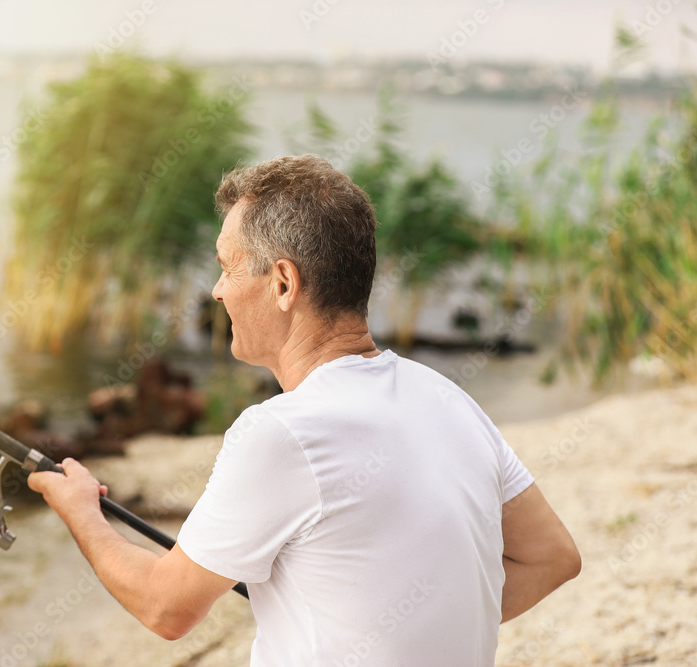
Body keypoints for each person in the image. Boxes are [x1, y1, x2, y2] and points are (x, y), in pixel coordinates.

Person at [29, 155, 581, 664]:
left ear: (284, 283)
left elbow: (165, 608)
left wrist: (80, 509)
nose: (217, 291)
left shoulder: (282, 433)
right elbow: (553, 557)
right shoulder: (447, 398)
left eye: (227, 266)